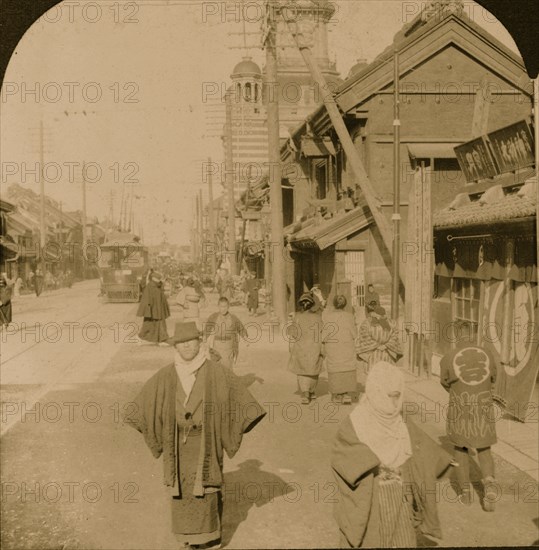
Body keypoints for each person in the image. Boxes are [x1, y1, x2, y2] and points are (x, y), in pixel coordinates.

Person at [125, 321, 266, 550]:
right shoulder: (166, 375)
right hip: (178, 447)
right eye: (183, 343)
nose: (188, 347)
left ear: (200, 343)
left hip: (205, 442)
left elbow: (241, 398)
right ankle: (186, 538)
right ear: (176, 347)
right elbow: (140, 406)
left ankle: (209, 538)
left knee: (207, 489)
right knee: (181, 490)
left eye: (192, 342)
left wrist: (238, 421)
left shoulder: (216, 371)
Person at [331, 361, 453, 548]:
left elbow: (419, 442)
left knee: (403, 537)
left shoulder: (400, 419)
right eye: (390, 397)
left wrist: (443, 459)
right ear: (375, 392)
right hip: (373, 495)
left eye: (398, 397)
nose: (395, 403)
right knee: (374, 539)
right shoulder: (356, 422)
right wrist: (375, 462)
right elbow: (342, 455)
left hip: (401, 493)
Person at [440, 339, 498, 511]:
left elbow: (444, 381)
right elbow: (493, 378)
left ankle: (465, 494)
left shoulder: (449, 356)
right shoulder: (488, 354)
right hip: (483, 405)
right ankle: (489, 485)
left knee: (460, 449)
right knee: (484, 448)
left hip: (460, 406)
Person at [287, 292, 324, 405]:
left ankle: (305, 393)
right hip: (314, 347)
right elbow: (322, 331)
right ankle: (312, 391)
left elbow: (292, 333)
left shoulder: (297, 317)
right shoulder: (318, 318)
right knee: (314, 369)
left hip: (301, 347)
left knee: (302, 371)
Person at [323, 295, 357, 405]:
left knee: (335, 368)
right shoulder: (350, 316)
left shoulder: (328, 316)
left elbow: (324, 335)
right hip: (346, 346)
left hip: (333, 347)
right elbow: (354, 334)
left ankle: (336, 395)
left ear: (334, 304)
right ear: (345, 304)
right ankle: (346, 395)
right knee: (347, 367)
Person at [204, 297, 247, 369]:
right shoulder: (214, 317)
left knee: (227, 368)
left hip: (228, 346)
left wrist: (245, 338)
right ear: (218, 306)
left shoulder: (233, 318)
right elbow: (207, 328)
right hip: (217, 346)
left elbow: (240, 328)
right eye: (221, 306)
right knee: (216, 368)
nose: (223, 309)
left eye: (225, 307)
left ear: (228, 307)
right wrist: (205, 338)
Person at [356, 305, 402, 371]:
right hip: (385, 352)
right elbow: (394, 336)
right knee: (385, 374)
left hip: (373, 353)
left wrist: (377, 345)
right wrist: (386, 345)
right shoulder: (392, 323)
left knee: (374, 374)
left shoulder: (366, 323)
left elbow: (364, 337)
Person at [136, 271, 170, 346]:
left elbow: (161, 296)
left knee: (160, 323)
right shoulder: (150, 286)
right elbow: (146, 299)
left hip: (159, 309)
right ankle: (140, 337)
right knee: (148, 324)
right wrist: (148, 310)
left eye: (159, 279)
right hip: (152, 309)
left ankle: (162, 339)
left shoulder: (158, 286)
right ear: (153, 278)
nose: (159, 280)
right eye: (158, 279)